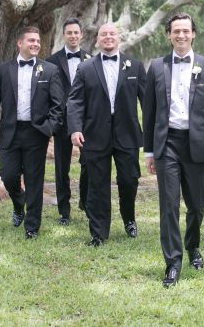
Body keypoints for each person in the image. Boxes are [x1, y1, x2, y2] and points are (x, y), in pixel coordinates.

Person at [143, 13, 204, 287]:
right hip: (167, 144)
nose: (181, 35)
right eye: (176, 31)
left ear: (193, 34)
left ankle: (193, 246)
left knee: (196, 205)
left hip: (198, 145)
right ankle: (173, 262)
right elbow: (150, 113)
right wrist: (149, 152)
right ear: (168, 35)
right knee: (168, 205)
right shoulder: (156, 67)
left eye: (185, 31)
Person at [67, 23, 146, 247]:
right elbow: (75, 101)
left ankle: (129, 218)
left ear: (119, 38)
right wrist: (75, 128)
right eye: (104, 34)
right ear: (97, 40)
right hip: (94, 135)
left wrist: (153, 131)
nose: (108, 37)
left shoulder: (135, 66)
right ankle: (99, 232)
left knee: (129, 180)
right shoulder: (85, 68)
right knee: (97, 184)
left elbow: (148, 101)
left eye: (112, 34)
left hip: (128, 134)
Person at [0, 26, 64, 239]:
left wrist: (49, 128)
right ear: (20, 43)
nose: (36, 44)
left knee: (34, 180)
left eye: (37, 40)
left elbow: (58, 105)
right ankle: (19, 204)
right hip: (10, 131)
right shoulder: (3, 70)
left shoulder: (49, 70)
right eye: (31, 40)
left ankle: (32, 227)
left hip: (37, 133)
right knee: (8, 175)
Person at [47, 17, 91, 225]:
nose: (73, 36)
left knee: (89, 163)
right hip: (62, 122)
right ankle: (64, 210)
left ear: (81, 35)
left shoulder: (91, 59)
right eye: (69, 33)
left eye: (76, 33)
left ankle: (85, 200)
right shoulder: (52, 61)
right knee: (61, 167)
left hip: (87, 122)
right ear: (63, 36)